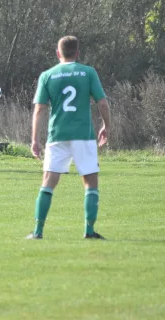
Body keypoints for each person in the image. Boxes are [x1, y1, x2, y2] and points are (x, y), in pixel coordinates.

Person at [26, 36, 110, 240]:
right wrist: (107, 125)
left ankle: (38, 231)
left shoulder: (47, 75)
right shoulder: (88, 72)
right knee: (90, 181)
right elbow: (102, 103)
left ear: (58, 53)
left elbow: (39, 109)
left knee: (48, 180)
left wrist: (35, 140)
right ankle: (89, 231)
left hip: (57, 135)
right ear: (78, 53)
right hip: (83, 135)